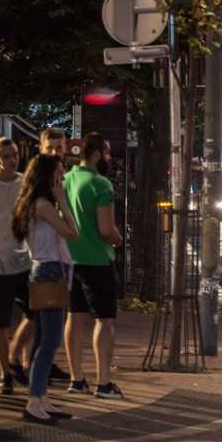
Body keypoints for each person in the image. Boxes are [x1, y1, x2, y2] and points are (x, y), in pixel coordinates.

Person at [11, 154, 79, 424]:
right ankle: (33, 402)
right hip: (49, 272)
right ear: (46, 177)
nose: (62, 178)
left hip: (46, 271)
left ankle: (41, 400)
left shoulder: (37, 203)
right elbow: (74, 233)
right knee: (50, 341)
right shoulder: (42, 205)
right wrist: (62, 200)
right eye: (59, 173)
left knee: (42, 339)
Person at [62, 132, 125, 400]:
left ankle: (77, 380)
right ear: (98, 154)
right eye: (108, 153)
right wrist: (118, 238)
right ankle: (104, 383)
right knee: (105, 321)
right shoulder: (101, 185)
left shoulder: (64, 180)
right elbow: (105, 229)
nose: (109, 158)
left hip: (69, 259)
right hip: (97, 260)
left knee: (74, 317)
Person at [0, 137, 30, 395]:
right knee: (1, 323)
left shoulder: (23, 183)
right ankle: (5, 374)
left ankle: (14, 357)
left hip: (24, 262)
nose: (12, 159)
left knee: (36, 312)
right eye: (7, 156)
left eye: (15, 155)